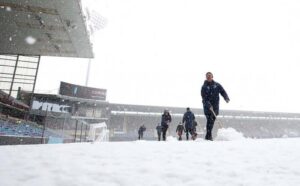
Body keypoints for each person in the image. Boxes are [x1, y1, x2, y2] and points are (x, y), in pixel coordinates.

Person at [201, 72, 230, 141]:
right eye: (207, 76)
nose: (208, 77)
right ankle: (208, 136)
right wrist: (208, 104)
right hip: (207, 107)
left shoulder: (217, 85)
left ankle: (208, 135)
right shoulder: (204, 87)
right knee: (209, 120)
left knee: (212, 121)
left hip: (215, 106)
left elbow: (222, 91)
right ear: (206, 77)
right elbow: (204, 98)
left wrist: (226, 97)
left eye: (210, 76)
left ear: (212, 77)